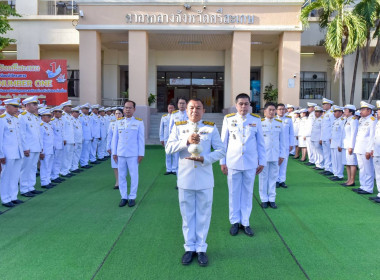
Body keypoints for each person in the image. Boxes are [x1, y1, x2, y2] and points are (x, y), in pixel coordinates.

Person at [165, 98, 225, 267]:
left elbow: (221, 151)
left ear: (203, 110)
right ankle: (189, 247)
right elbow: (168, 148)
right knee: (187, 215)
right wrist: (186, 141)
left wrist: (205, 158)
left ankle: (201, 248)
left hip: (205, 178)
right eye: (191, 108)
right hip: (185, 178)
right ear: (187, 110)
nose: (194, 111)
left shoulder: (210, 128)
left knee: (204, 215)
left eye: (198, 108)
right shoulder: (179, 127)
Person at [220, 93, 265, 237]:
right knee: (233, 192)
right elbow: (223, 142)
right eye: (241, 103)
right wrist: (223, 162)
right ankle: (234, 221)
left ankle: (245, 222)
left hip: (251, 163)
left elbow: (260, 143)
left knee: (247, 192)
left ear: (250, 105)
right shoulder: (228, 119)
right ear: (235, 104)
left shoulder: (256, 120)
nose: (243, 106)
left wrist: (262, 161)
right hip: (233, 162)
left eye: (246, 104)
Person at [112, 100, 145, 208]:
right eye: (126, 108)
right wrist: (114, 152)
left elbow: (141, 139)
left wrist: (141, 154)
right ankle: (123, 197)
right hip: (121, 153)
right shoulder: (118, 122)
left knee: (134, 176)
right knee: (121, 176)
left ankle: (132, 197)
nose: (127, 110)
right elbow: (115, 138)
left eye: (130, 108)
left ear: (134, 109)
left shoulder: (139, 122)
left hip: (133, 154)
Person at [259, 102, 285, 209]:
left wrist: (282, 155)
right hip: (264, 155)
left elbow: (283, 141)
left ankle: (272, 199)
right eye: (269, 110)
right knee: (263, 178)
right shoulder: (259, 123)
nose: (272, 112)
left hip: (275, 155)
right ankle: (264, 199)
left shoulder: (279, 123)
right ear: (264, 111)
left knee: (273, 177)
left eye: (274, 110)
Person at [0, 98, 24, 207]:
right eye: (14, 106)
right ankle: (5, 198)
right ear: (7, 107)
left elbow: (19, 137)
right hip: (7, 153)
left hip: (17, 152)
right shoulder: (2, 119)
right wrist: (1, 155)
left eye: (17, 107)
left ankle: (13, 196)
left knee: (15, 175)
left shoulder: (16, 119)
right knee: (6, 176)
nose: (16, 109)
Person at [19, 96, 43, 197]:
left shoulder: (35, 117)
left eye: (36, 104)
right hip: (28, 148)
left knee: (33, 168)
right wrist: (25, 148)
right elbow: (22, 134)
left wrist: (41, 146)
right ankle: (24, 189)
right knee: (26, 168)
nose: (36, 107)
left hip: (36, 147)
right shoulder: (22, 117)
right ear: (27, 105)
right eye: (34, 104)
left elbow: (38, 134)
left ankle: (31, 187)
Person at [352, 101, 376, 195]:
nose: (360, 111)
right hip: (359, 148)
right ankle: (363, 186)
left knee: (368, 169)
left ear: (369, 111)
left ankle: (368, 188)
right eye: (361, 109)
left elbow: (372, 137)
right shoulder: (362, 120)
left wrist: (369, 150)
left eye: (363, 109)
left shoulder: (372, 121)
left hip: (366, 149)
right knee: (362, 168)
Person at [168, 97, 188, 186]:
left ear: (186, 104)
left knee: (187, 162)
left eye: (183, 103)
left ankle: (186, 181)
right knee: (177, 162)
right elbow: (170, 128)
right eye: (180, 103)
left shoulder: (189, 113)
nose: (182, 105)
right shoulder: (174, 114)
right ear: (177, 104)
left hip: (187, 141)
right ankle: (178, 182)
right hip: (177, 141)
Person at [276, 103, 294, 188]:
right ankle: (275, 180)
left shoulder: (289, 119)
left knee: (284, 163)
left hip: (285, 144)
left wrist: (291, 144)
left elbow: (291, 133)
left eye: (283, 109)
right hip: (275, 145)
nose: (281, 111)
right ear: (276, 110)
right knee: (276, 163)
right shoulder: (274, 119)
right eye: (279, 109)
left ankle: (282, 180)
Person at [341, 104, 358, 187]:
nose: (344, 111)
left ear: (351, 112)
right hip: (345, 144)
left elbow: (353, 134)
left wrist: (351, 146)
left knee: (352, 163)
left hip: (350, 145)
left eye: (346, 110)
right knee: (347, 163)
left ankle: (352, 180)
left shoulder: (354, 120)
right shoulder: (347, 120)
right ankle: (348, 179)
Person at [107, 108, 124, 189]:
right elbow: (109, 135)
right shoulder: (112, 123)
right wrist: (108, 146)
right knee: (115, 165)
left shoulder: (125, 122)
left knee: (122, 165)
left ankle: (122, 180)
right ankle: (117, 181)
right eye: (116, 113)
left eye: (119, 113)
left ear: (122, 114)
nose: (117, 115)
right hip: (114, 147)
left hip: (123, 147)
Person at [39, 109, 56, 189]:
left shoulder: (49, 125)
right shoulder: (41, 126)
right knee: (44, 166)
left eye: (50, 116)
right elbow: (41, 139)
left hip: (50, 149)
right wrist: (41, 151)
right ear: (42, 117)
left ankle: (48, 180)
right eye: (48, 116)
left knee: (49, 165)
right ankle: (44, 182)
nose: (50, 118)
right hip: (45, 150)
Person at [159, 103, 176, 175]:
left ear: (174, 109)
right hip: (167, 139)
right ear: (167, 109)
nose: (171, 110)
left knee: (175, 154)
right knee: (168, 154)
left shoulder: (177, 117)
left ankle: (174, 169)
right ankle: (168, 169)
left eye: (172, 108)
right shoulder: (164, 117)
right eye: (169, 108)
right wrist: (161, 138)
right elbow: (161, 129)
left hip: (175, 139)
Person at [329, 106, 345, 181]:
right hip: (333, 143)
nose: (334, 113)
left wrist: (340, 144)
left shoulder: (342, 120)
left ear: (341, 112)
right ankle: (335, 173)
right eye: (334, 112)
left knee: (338, 160)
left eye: (336, 112)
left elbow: (342, 133)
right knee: (334, 159)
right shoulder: (336, 121)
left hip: (338, 143)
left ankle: (339, 175)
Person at [320, 98, 335, 176]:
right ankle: (327, 168)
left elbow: (333, 125)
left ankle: (331, 169)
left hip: (329, 137)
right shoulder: (325, 113)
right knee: (326, 153)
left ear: (329, 105)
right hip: (325, 136)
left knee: (330, 154)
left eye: (324, 104)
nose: (323, 105)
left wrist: (331, 137)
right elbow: (323, 127)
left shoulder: (331, 113)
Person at [60, 100, 75, 177]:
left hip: (71, 139)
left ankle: (67, 169)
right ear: (64, 107)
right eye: (69, 107)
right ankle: (63, 171)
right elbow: (62, 128)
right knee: (65, 156)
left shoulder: (69, 116)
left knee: (69, 155)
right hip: (66, 140)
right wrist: (64, 139)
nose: (70, 108)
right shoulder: (62, 116)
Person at [50, 106, 65, 184]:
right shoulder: (51, 122)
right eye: (58, 112)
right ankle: (52, 176)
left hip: (60, 143)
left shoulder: (60, 121)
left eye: (61, 112)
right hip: (55, 144)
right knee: (54, 161)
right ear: (54, 113)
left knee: (58, 160)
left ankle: (56, 175)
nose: (60, 114)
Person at [370, 100, 380, 203]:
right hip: (377, 152)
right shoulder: (378, 123)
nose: (377, 113)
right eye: (377, 111)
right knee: (378, 174)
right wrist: (373, 149)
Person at [310, 106, 324, 170]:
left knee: (319, 152)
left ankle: (320, 164)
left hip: (318, 138)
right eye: (315, 112)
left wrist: (321, 138)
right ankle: (317, 163)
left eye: (318, 112)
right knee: (315, 151)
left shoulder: (322, 119)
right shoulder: (316, 119)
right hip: (313, 137)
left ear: (321, 113)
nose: (316, 113)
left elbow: (322, 130)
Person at [79, 103, 93, 169]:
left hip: (88, 136)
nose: (87, 110)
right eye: (86, 109)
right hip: (84, 137)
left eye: (88, 109)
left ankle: (86, 162)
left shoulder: (87, 117)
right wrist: (82, 137)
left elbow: (90, 127)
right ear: (82, 109)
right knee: (83, 151)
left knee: (87, 150)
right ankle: (83, 163)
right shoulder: (80, 117)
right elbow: (80, 128)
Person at [70, 106, 83, 173]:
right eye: (77, 112)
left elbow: (80, 130)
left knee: (78, 154)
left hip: (79, 140)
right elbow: (71, 131)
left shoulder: (78, 120)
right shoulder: (71, 120)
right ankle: (73, 167)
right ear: (72, 112)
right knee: (73, 154)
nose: (78, 114)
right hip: (74, 140)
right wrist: (73, 140)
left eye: (78, 112)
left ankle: (75, 166)